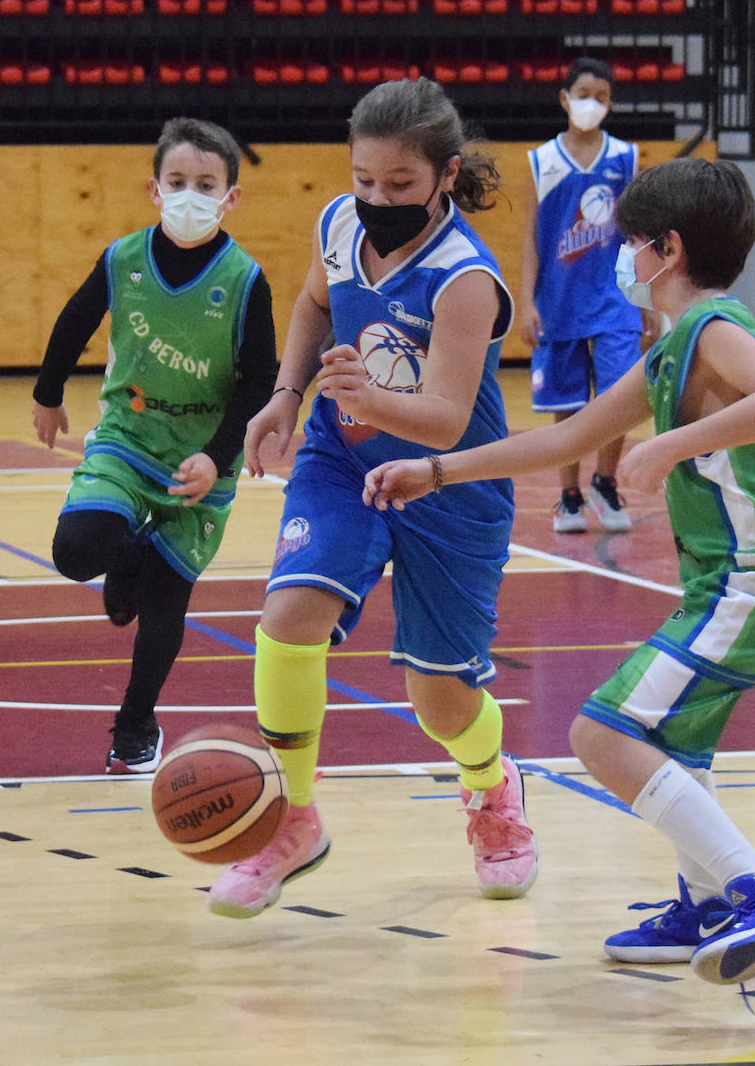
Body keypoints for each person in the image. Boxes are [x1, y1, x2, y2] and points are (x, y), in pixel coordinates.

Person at [365, 157, 755, 987]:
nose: (619, 257)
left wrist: (667, 444)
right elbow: (564, 439)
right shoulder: (672, 351)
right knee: (672, 740)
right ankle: (706, 900)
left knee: (602, 732)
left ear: (665, 248)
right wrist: (434, 470)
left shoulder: (714, 329)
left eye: (629, 242)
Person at [206, 78, 537, 920]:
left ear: (446, 175)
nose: (376, 198)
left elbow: (447, 418)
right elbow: (315, 305)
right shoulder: (337, 224)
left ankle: (493, 787)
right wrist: (285, 394)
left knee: (442, 704)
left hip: (449, 483)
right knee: (289, 621)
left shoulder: (466, 279)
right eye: (364, 179)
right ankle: (294, 820)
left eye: (399, 185)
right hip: (342, 461)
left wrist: (361, 398)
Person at [31, 117, 278, 775]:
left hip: (200, 464)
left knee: (167, 604)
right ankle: (128, 560)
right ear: (154, 188)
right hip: (126, 441)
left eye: (206, 184)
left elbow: (260, 382)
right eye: (178, 182)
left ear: (231, 196)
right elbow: (75, 320)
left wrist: (218, 455)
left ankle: (136, 726)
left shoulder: (246, 280)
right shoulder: (123, 259)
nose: (190, 194)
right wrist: (48, 392)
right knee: (76, 551)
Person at [519, 56, 653, 534]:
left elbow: (640, 234)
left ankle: (605, 481)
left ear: (611, 103)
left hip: (616, 297)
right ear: (564, 99)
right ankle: (569, 494)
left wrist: (647, 297)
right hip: (559, 298)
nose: (591, 104)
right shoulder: (542, 160)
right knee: (568, 402)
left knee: (620, 393)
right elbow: (532, 238)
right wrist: (526, 299)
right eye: (583, 95)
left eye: (601, 96)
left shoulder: (626, 157)